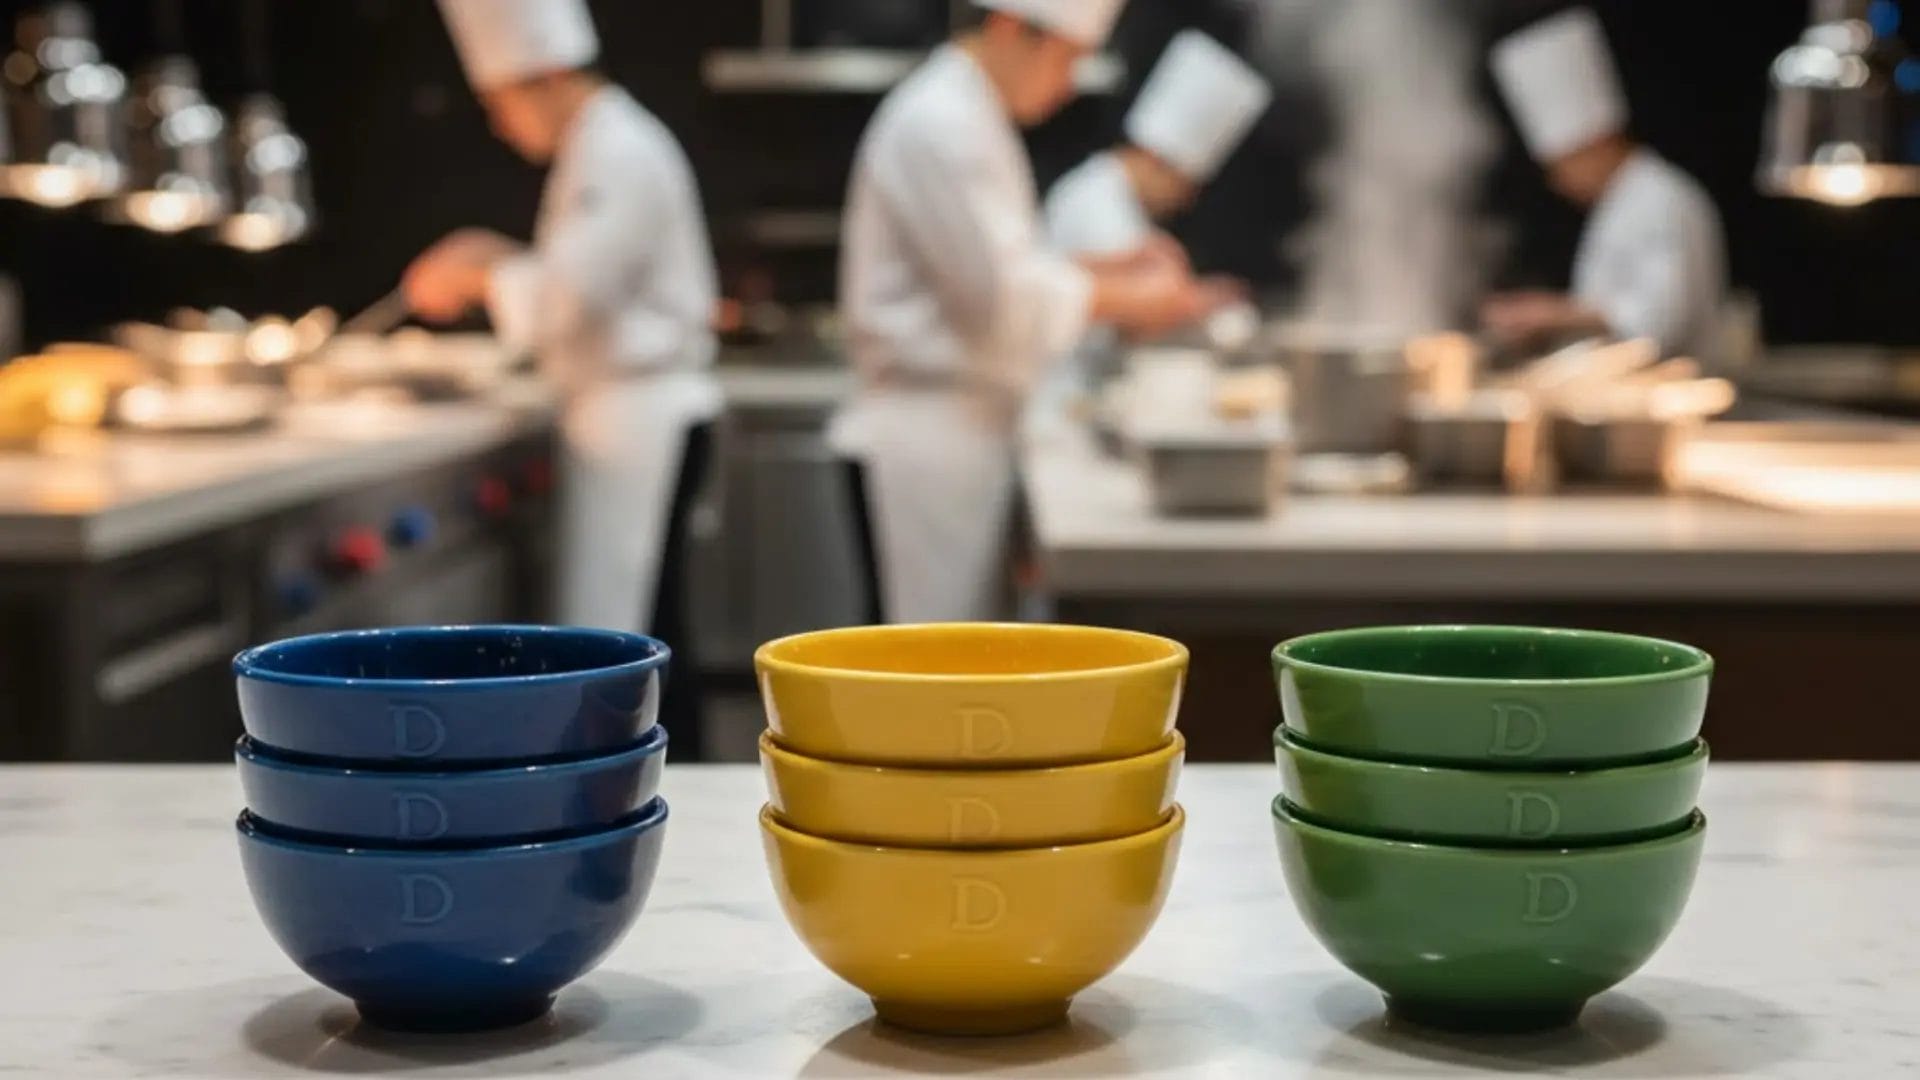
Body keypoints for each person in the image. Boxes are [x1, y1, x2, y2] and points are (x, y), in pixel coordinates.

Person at [836, 0, 1228, 625]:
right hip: (930, 446)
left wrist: (1109, 268)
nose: (1070, 85)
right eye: (1067, 60)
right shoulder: (943, 122)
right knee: (933, 660)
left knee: (961, 652)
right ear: (1011, 27)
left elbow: (1007, 266)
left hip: (964, 435)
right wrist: (1136, 298)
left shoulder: (972, 113)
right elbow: (1001, 301)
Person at [405, 0, 720, 750]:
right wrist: (490, 256)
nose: (498, 125)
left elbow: (570, 300)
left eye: (499, 103)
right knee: (650, 632)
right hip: (630, 419)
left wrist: (476, 276)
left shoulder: (617, 149)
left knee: (642, 637)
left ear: (545, 77)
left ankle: (652, 777)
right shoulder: (597, 145)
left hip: (644, 425)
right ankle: (646, 774)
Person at [1038, 28, 1272, 420]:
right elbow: (1139, 312)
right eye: (1185, 183)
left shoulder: (1112, 196)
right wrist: (1197, 303)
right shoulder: (1094, 203)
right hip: (1066, 402)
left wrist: (1196, 297)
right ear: (1157, 158)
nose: (1186, 200)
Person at [1483, 7, 1727, 360]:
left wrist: (1552, 314)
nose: (1557, 183)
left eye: (1561, 165)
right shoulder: (1618, 205)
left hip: (1673, 385)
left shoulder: (1662, 199)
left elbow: (1659, 324)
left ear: (1596, 143)